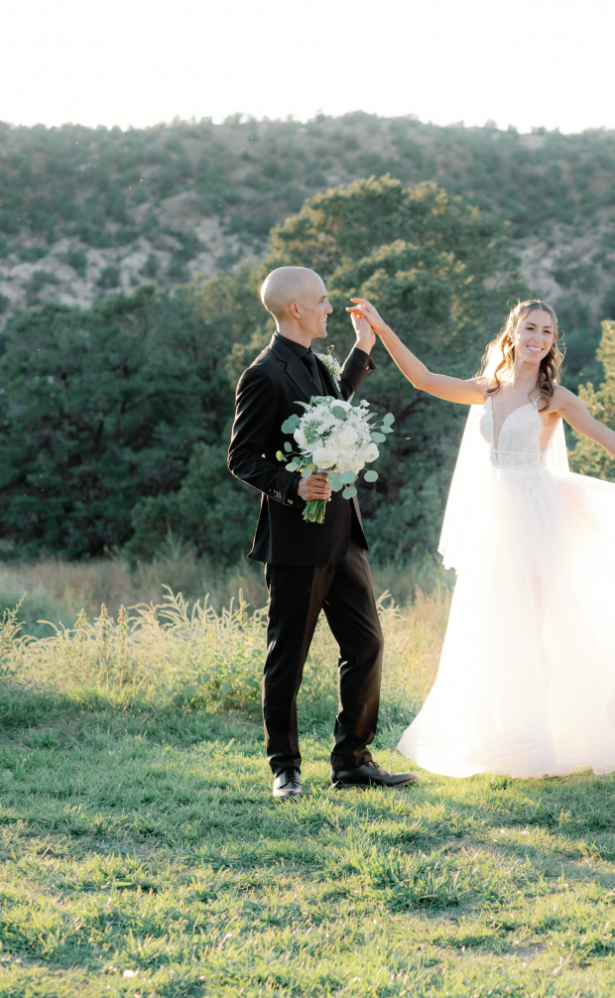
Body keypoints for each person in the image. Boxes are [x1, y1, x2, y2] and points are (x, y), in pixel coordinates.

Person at [345, 296, 615, 779]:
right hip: (494, 519)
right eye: (530, 328)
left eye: (547, 332)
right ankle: (503, 733)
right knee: (495, 622)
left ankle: (547, 737)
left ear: (552, 342)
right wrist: (380, 327)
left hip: (537, 517)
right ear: (513, 332)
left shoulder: (554, 397)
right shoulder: (488, 389)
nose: (538, 338)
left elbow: (612, 440)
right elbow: (423, 378)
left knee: (538, 625)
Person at [227, 266, 416, 799]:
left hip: (343, 534)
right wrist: (293, 485)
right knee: (288, 658)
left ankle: (352, 762)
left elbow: (337, 404)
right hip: (295, 541)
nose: (330, 308)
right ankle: (285, 769)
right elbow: (242, 457)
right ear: (296, 309)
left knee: (367, 643)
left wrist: (363, 347)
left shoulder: (315, 362)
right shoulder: (263, 373)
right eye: (323, 300)